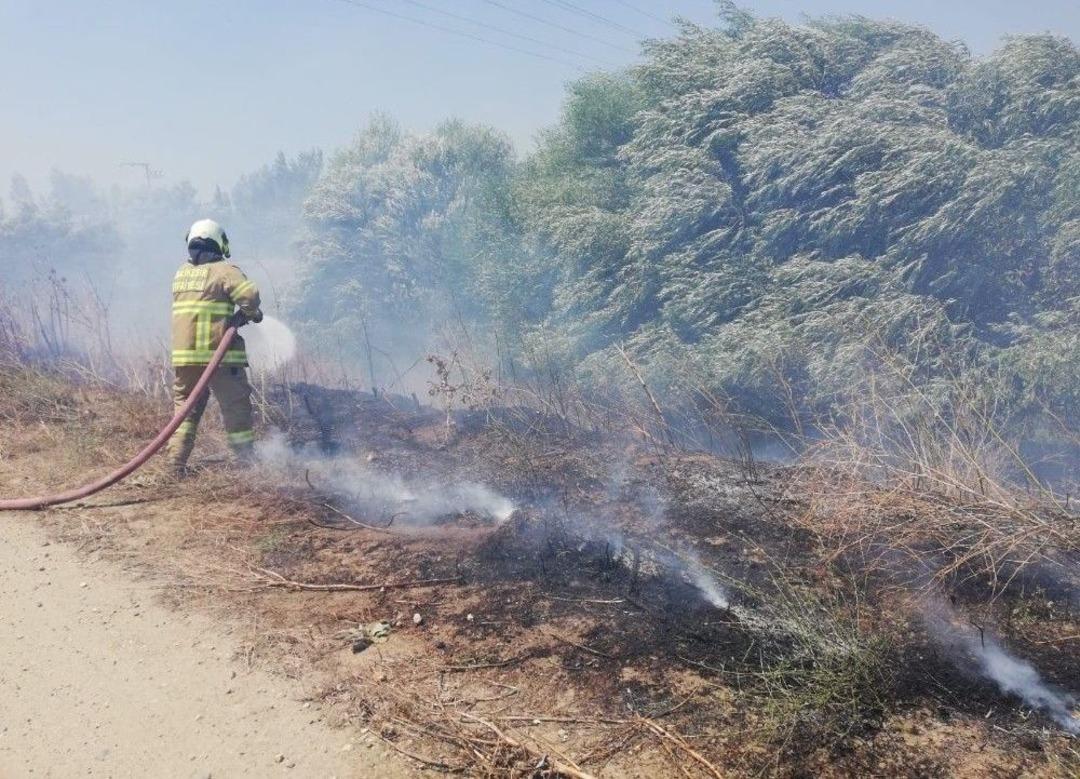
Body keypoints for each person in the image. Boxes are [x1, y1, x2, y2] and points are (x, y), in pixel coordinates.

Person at [166, 218, 263, 476]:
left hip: (185, 357)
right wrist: (250, 313)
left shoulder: (181, 273)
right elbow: (250, 297)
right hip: (218, 356)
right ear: (218, 242)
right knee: (236, 405)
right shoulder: (223, 270)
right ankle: (245, 464)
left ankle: (175, 464)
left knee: (185, 410)